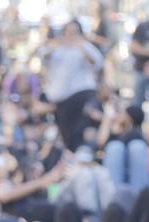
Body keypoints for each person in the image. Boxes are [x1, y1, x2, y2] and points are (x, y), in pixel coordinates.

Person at [42, 21, 103, 151]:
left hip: (80, 94)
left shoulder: (84, 46)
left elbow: (97, 63)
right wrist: (55, 45)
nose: (70, 35)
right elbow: (43, 58)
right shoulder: (57, 46)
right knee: (65, 133)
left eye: (74, 32)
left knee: (79, 132)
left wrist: (81, 46)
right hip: (61, 98)